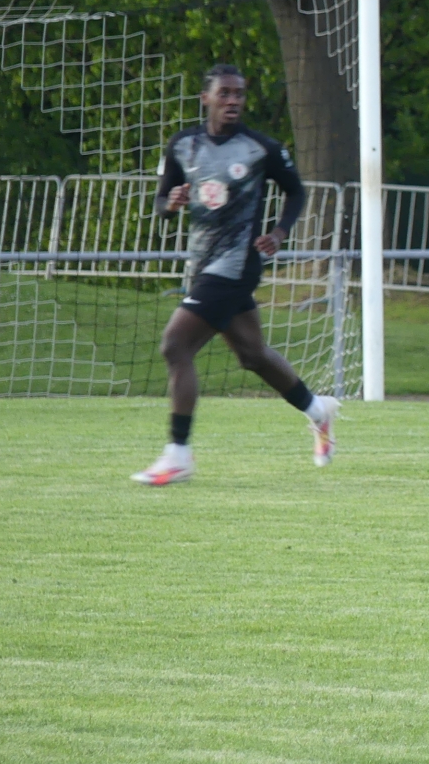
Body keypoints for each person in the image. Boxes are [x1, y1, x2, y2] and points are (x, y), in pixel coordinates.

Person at [132, 65, 340, 485]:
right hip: (202, 264)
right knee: (252, 355)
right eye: (224, 93)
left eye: (239, 94)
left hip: (237, 264)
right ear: (205, 98)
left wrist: (280, 232)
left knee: (175, 346)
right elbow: (160, 202)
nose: (233, 101)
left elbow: (296, 190)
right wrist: (170, 203)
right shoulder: (183, 145)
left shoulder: (259, 148)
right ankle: (319, 411)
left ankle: (178, 455)